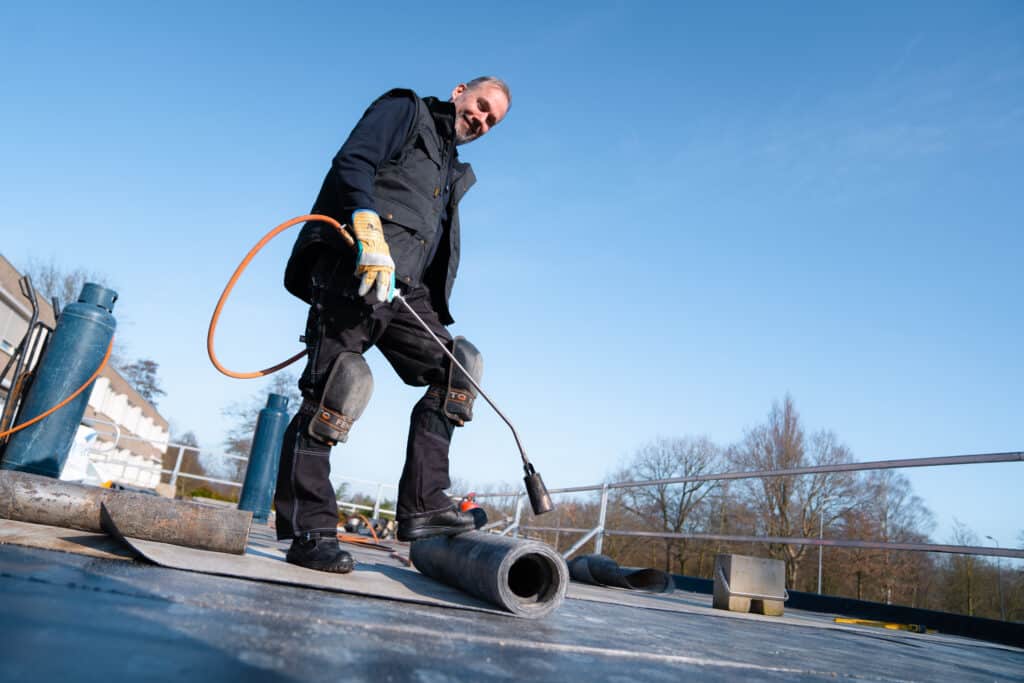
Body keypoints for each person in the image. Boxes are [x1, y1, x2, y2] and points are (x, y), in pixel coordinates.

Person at [274, 77, 511, 573]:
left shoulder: (451, 169)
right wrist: (363, 218)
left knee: (458, 370)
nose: (482, 120)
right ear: (460, 91)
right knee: (337, 390)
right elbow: (352, 161)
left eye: (492, 120)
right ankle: (309, 531)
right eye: (481, 106)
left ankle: (425, 504)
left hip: (406, 291)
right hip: (354, 268)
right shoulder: (407, 112)